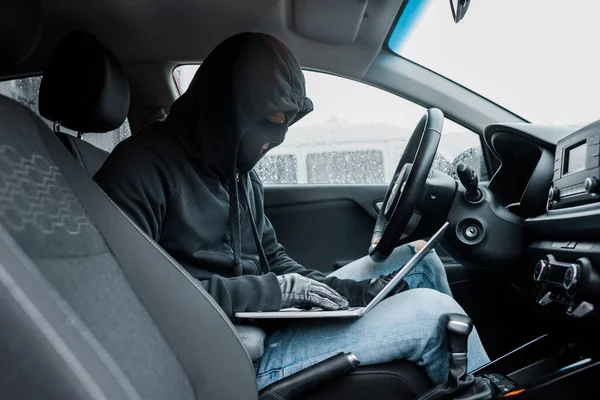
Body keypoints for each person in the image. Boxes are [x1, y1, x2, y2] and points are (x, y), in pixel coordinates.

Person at [94, 32, 489, 390]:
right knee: (434, 316)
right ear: (226, 107)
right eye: (269, 120)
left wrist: (345, 293)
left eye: (286, 121)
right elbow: (135, 296)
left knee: (420, 262)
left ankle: (466, 383)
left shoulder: (238, 174)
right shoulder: (140, 169)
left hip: (263, 320)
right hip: (225, 352)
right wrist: (278, 292)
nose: (275, 139)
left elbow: (273, 258)